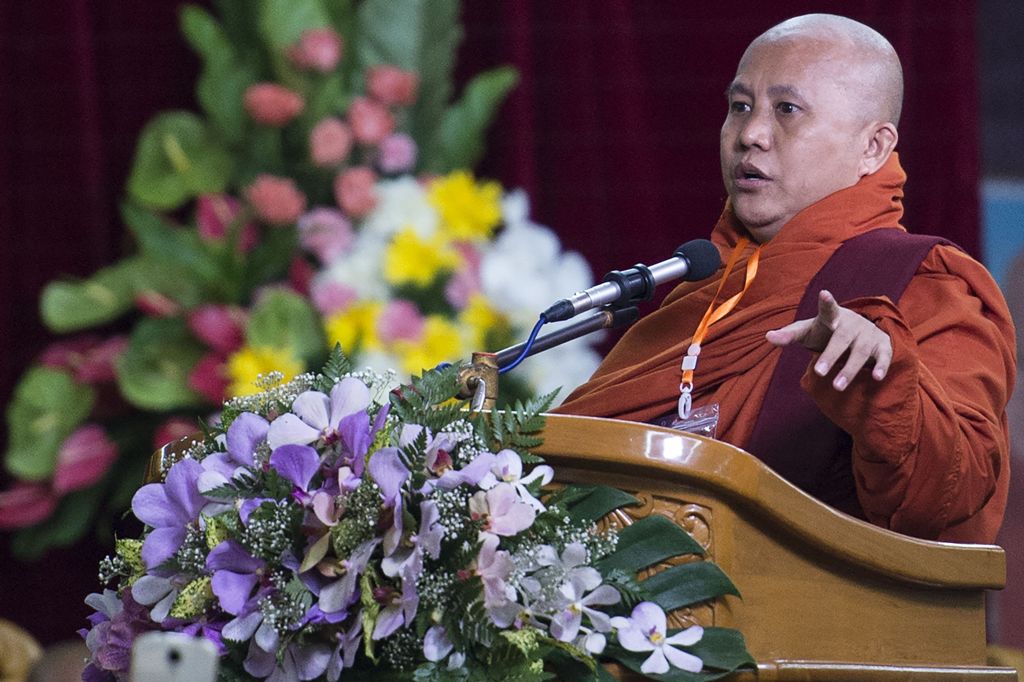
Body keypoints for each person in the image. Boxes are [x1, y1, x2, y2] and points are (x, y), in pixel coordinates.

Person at [556, 14, 1016, 544]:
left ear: (873, 147)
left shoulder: (925, 283)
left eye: (787, 110)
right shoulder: (705, 289)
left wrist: (885, 382)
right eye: (740, 106)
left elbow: (953, 500)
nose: (750, 134)